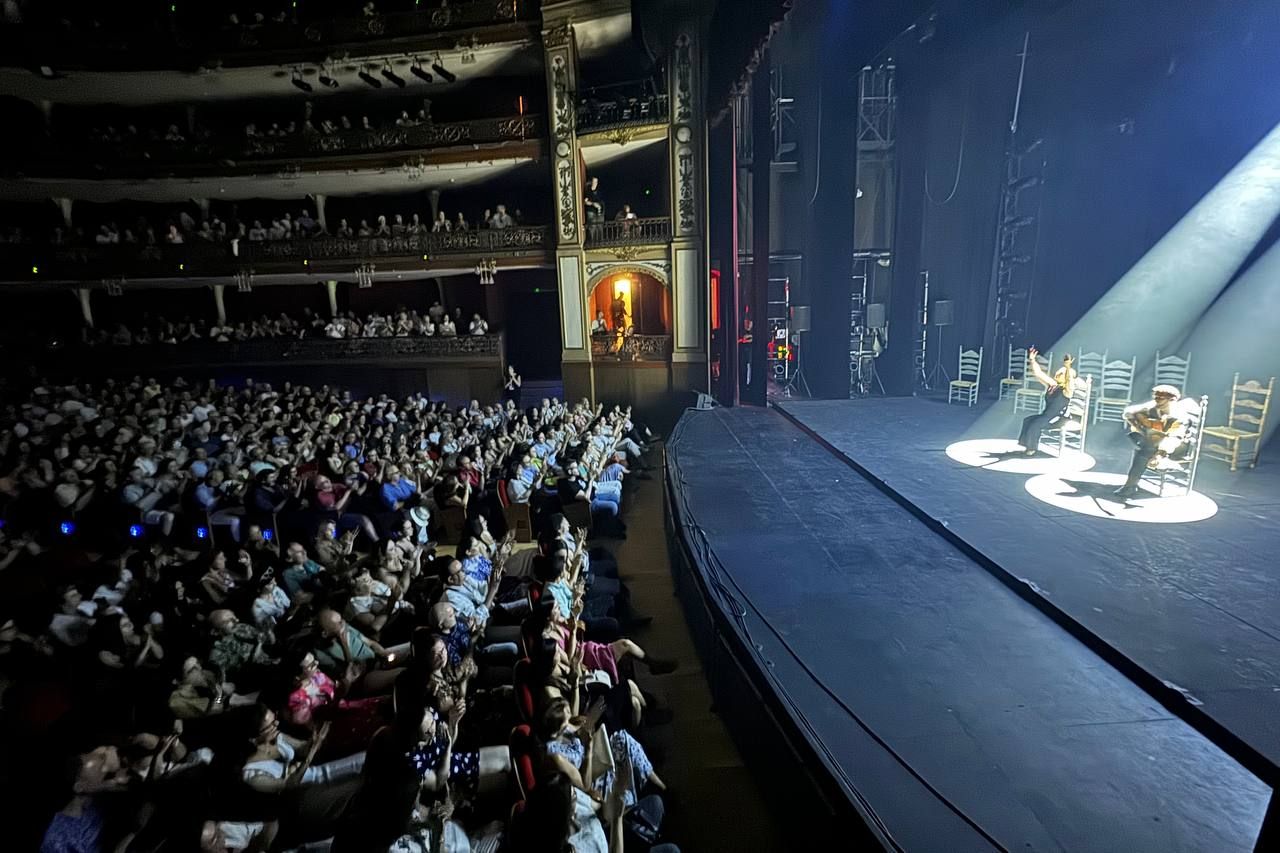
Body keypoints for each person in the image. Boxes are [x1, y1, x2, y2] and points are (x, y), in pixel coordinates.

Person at [1113, 384, 1193, 499]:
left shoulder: (1178, 417)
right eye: (1155, 397)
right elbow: (1129, 412)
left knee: (1145, 451)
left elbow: (1174, 439)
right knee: (1145, 442)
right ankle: (1131, 484)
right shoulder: (1156, 407)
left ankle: (1130, 485)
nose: (1156, 400)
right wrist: (1140, 426)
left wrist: (1159, 455)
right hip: (1157, 441)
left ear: (1172, 400)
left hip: (1177, 448)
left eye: (1160, 398)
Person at [1016, 348, 1076, 456]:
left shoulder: (1067, 390)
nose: (1058, 373)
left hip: (1058, 418)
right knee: (1028, 420)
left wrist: (1068, 368)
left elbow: (1070, 381)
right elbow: (1038, 373)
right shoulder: (1053, 385)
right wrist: (1032, 360)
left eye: (1061, 373)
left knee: (1036, 424)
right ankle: (1027, 445)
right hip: (1047, 416)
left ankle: (1032, 449)